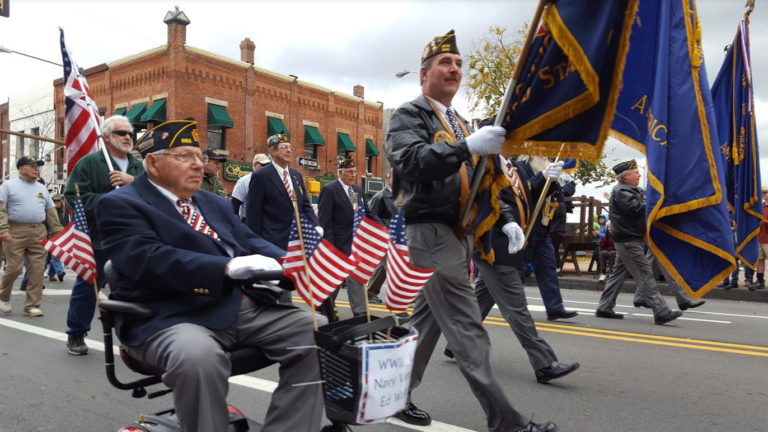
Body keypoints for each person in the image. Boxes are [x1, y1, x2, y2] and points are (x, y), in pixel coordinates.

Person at [97, 119, 323, 432]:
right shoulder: (121, 204)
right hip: (168, 315)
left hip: (234, 306)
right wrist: (225, 268)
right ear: (152, 163)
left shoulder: (213, 202)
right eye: (183, 156)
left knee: (317, 331)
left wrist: (288, 261)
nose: (197, 166)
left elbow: (248, 240)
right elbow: (147, 260)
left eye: (199, 157)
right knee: (198, 357)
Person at [385, 29, 557, 432]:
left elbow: (483, 179)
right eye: (446, 63)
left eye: (459, 64)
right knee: (467, 329)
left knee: (425, 324)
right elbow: (411, 161)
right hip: (429, 231)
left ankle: (392, 395)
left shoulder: (458, 121)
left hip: (459, 234)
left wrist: (505, 218)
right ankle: (507, 423)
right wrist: (466, 147)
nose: (455, 70)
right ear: (423, 73)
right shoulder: (410, 114)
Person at [446, 155, 580, 385]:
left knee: (482, 299)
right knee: (517, 308)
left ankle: (456, 344)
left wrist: (544, 179)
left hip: (509, 244)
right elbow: (491, 200)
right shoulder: (482, 165)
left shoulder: (512, 167)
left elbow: (526, 197)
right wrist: (507, 221)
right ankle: (544, 364)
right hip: (493, 246)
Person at [63, 115, 145, 356]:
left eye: (131, 133)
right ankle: (76, 332)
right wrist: (112, 199)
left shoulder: (139, 167)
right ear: (107, 137)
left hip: (133, 237)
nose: (128, 137)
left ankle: (133, 337)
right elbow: (75, 197)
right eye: (122, 133)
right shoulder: (89, 164)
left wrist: (133, 182)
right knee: (89, 285)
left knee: (133, 287)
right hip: (100, 237)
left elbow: (155, 196)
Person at [595, 160, 682, 324]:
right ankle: (661, 310)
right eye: (635, 172)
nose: (639, 175)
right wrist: (653, 203)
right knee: (645, 274)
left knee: (618, 274)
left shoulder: (631, 189)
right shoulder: (621, 191)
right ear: (625, 176)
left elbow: (646, 199)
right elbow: (634, 208)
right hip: (628, 239)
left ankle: (605, 307)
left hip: (629, 238)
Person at [245, 134, 318, 304]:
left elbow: (305, 206)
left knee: (288, 281)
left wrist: (315, 225)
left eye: (290, 147)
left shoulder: (296, 176)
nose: (289, 150)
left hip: (294, 241)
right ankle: (281, 314)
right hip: (272, 240)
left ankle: (281, 312)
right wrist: (255, 244)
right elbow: (253, 213)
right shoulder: (261, 176)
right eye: (284, 147)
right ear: (272, 151)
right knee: (278, 286)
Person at [516, 156, 578, 321]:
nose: (546, 158)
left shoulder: (548, 171)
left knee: (548, 268)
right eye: (542, 155)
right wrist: (542, 177)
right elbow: (525, 192)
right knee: (518, 271)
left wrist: (556, 180)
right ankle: (515, 307)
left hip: (542, 228)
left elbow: (558, 195)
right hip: (525, 228)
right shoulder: (519, 168)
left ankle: (554, 308)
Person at [317, 157, 380, 318]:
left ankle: (360, 313)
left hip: (356, 243)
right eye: (349, 172)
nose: (353, 175)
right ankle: (324, 307)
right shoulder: (330, 190)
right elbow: (325, 221)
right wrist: (330, 247)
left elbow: (368, 213)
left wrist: (382, 228)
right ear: (340, 173)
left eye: (354, 172)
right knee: (335, 279)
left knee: (356, 277)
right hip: (337, 243)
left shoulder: (357, 191)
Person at [0, 156, 63, 316]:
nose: (37, 168)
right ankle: (3, 297)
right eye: (32, 166)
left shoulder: (41, 188)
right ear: (21, 168)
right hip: (15, 231)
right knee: (14, 268)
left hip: (38, 232)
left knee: (37, 269)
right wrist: (3, 229)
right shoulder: (8, 186)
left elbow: (51, 213)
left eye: (38, 166)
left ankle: (32, 305)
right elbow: (1, 209)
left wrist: (57, 233)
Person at [365, 170, 396, 304]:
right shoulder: (380, 196)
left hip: (396, 236)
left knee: (383, 268)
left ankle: (370, 293)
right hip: (384, 236)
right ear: (388, 179)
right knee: (394, 265)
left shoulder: (399, 195)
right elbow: (372, 217)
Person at [232, 153, 270, 221]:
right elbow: (235, 204)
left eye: (268, 165)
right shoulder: (244, 181)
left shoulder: (271, 180)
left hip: (266, 221)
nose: (266, 168)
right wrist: (236, 224)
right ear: (255, 165)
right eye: (263, 165)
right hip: (248, 220)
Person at [748, 186, 768, 291]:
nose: (764, 194)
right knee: (760, 261)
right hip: (760, 238)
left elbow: (763, 221)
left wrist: (762, 220)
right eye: (763, 193)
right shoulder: (761, 206)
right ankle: (760, 281)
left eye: (765, 192)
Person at [47, 194, 69, 282]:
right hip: (52, 235)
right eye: (55, 201)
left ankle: (51, 275)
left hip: (64, 235)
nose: (56, 203)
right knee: (56, 254)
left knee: (55, 255)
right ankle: (60, 272)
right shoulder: (50, 211)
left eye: (58, 201)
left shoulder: (66, 211)